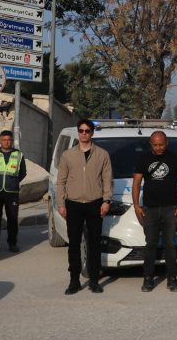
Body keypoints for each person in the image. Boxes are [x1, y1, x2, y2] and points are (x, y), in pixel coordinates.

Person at [57, 119, 113, 295]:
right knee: (74, 244)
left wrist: (106, 201)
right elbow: (61, 181)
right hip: (73, 203)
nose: (84, 133)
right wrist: (61, 204)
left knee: (94, 243)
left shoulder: (102, 155)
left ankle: (94, 280)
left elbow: (107, 179)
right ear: (78, 132)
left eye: (87, 131)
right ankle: (74, 280)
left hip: (95, 203)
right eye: (81, 130)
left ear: (92, 133)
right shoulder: (68, 155)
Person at [132, 131, 177, 293]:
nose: (158, 148)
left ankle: (172, 278)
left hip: (170, 208)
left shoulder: (176, 159)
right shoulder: (143, 159)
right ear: (151, 143)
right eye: (155, 145)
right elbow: (136, 184)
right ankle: (148, 278)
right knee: (150, 245)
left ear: (167, 143)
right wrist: (137, 205)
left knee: (170, 245)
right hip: (149, 209)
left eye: (161, 144)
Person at [0, 130, 26, 254]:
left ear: (12, 141)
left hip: (11, 192)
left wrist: (13, 181)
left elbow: (22, 172)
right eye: (4, 139)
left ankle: (12, 243)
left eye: (8, 140)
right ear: (0, 140)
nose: (6, 142)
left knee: (12, 219)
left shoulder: (19, 155)